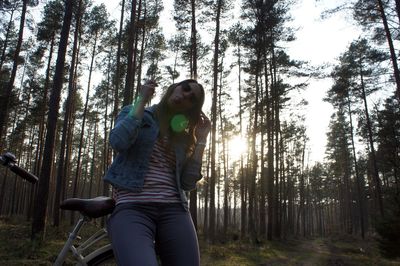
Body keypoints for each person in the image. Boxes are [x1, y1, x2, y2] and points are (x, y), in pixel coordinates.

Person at [104, 79, 211, 266]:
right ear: (174, 87)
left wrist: (201, 140)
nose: (186, 95)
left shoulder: (182, 136)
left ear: (191, 108)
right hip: (133, 207)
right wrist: (141, 100)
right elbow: (118, 141)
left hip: (175, 209)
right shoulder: (136, 112)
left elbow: (187, 183)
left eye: (191, 98)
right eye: (185, 88)